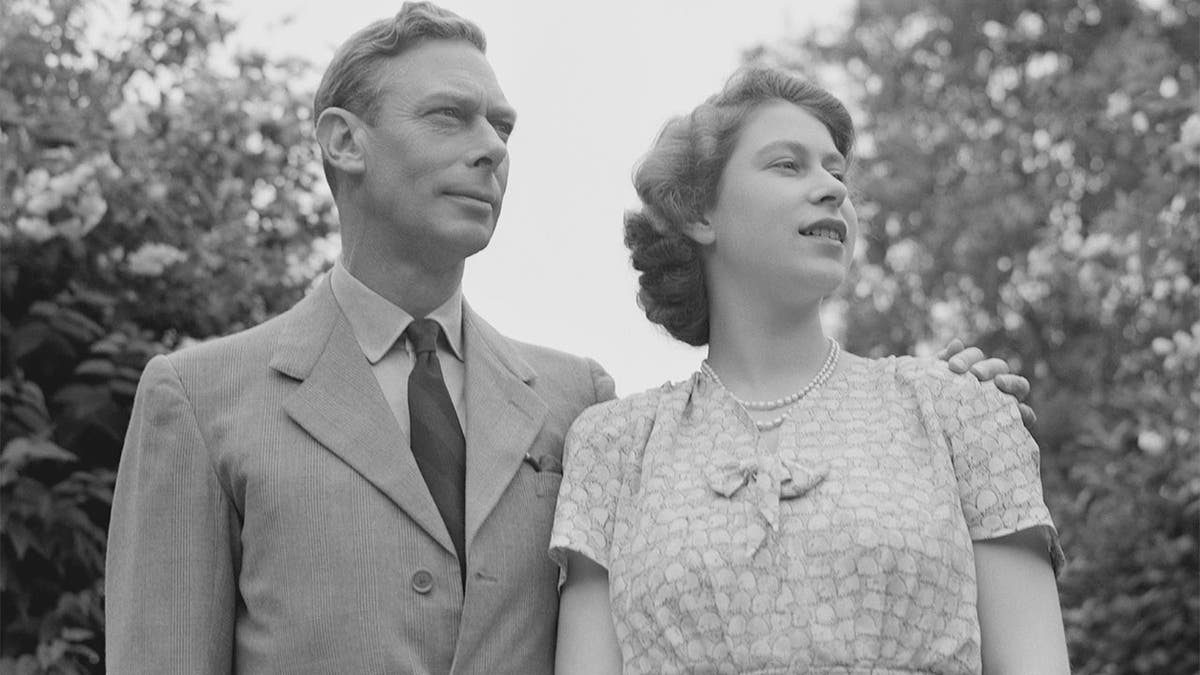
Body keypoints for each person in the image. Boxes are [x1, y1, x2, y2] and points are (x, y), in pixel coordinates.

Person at [105, 3, 1035, 673]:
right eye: (449, 116)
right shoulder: (199, 398)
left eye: (502, 126)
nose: (492, 147)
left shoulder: (575, 402)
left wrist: (933, 410)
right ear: (345, 141)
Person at [551, 67, 1069, 674]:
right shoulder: (613, 449)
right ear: (698, 212)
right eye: (788, 165)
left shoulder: (960, 410)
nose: (831, 189)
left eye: (837, 172)